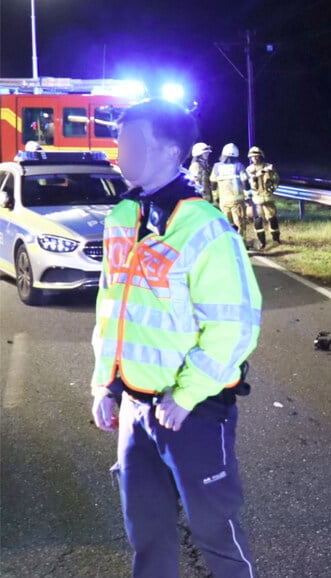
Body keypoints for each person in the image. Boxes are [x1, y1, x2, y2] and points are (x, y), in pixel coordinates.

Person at [90, 99, 261, 577]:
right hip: (133, 408)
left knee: (216, 534)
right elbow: (111, 309)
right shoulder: (123, 218)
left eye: (132, 143)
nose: (120, 153)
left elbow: (235, 326)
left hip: (193, 412)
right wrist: (104, 383)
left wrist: (185, 396)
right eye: (120, 142)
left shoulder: (205, 228)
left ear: (169, 150)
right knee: (146, 534)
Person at [210, 143, 250, 238]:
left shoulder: (216, 167)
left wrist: (215, 197)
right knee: (240, 224)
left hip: (223, 201)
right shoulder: (239, 166)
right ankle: (241, 244)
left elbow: (213, 184)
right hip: (237, 201)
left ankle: (231, 244)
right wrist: (248, 196)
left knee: (227, 224)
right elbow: (245, 183)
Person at [245, 146, 281, 249]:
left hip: (268, 197)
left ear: (261, 156)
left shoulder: (269, 167)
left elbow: (276, 179)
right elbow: (247, 182)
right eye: (252, 157)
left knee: (272, 218)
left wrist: (273, 188)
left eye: (257, 156)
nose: (255, 158)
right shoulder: (249, 170)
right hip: (256, 198)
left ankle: (276, 239)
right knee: (258, 220)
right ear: (250, 158)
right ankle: (262, 242)